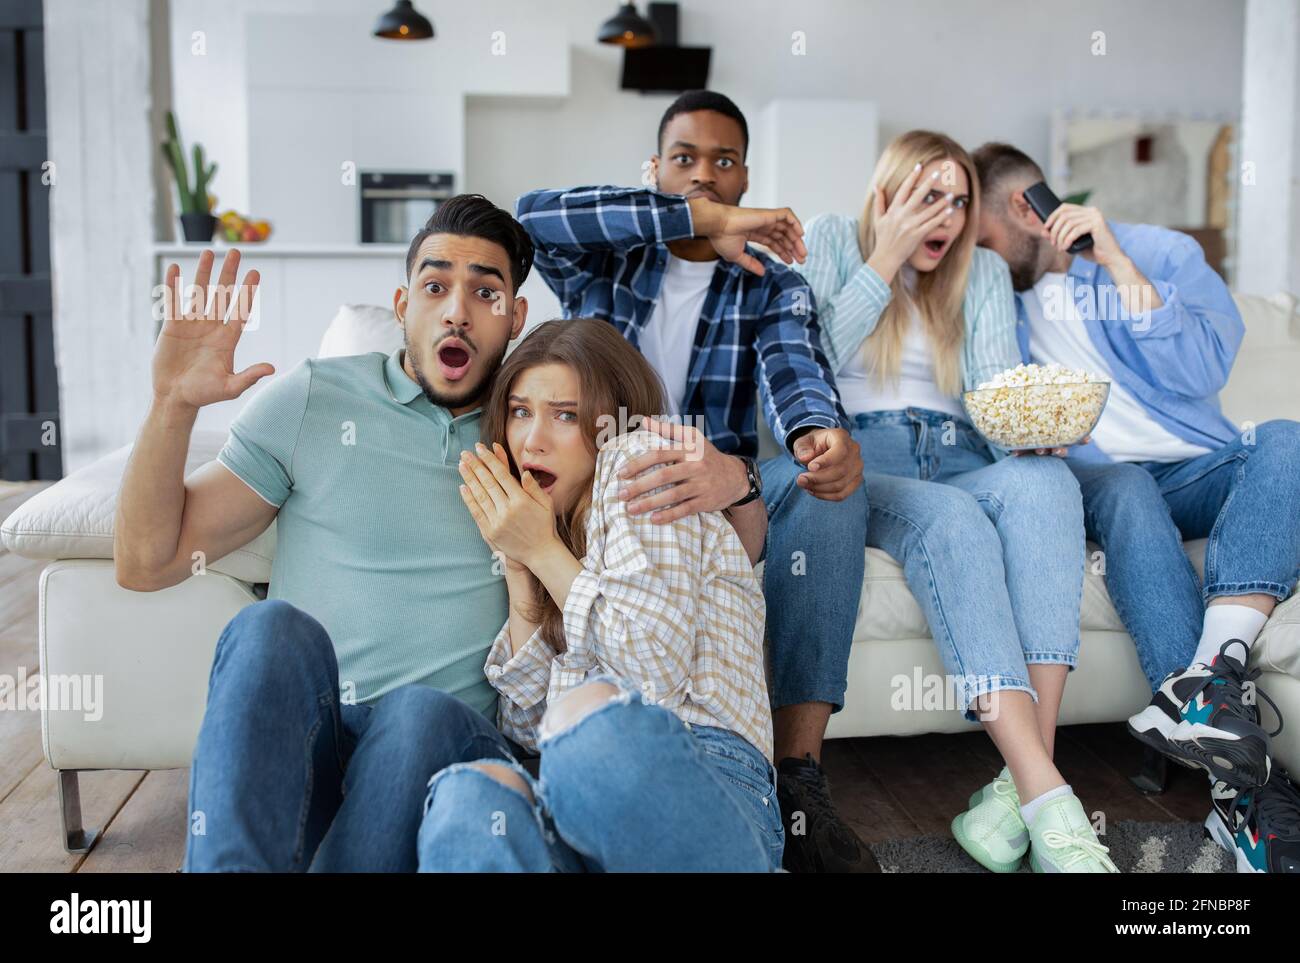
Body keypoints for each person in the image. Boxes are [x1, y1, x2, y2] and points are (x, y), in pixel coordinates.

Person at [115, 194, 540, 871]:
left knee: (417, 713)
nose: (457, 309)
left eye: (485, 291)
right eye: (436, 286)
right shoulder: (318, 397)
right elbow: (145, 561)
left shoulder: (536, 430)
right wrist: (173, 404)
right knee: (266, 630)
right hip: (309, 748)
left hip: (440, 752)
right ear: (402, 305)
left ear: (515, 317)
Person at [516, 90, 877, 872]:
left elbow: (798, 377)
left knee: (830, 495)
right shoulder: (608, 261)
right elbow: (533, 215)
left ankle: (800, 776)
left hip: (718, 487)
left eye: (723, 162)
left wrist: (816, 440)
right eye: (685, 158)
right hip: (615, 484)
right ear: (654, 169)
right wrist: (693, 219)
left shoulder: (771, 282)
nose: (705, 174)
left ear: (748, 175)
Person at [974, 141, 1300, 873]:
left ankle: (1210, 680)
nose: (982, 258)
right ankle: (1237, 792)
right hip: (1102, 481)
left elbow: (1204, 368)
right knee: (1124, 486)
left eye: (987, 240)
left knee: (1287, 437)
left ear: (1028, 210)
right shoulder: (995, 303)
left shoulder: (1162, 253)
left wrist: (1117, 264)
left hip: (1194, 467)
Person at [795, 130, 1115, 873]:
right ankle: (1055, 804)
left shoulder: (984, 273)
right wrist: (885, 258)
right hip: (866, 456)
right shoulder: (837, 239)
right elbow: (807, 359)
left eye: (959, 201)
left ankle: (1023, 784)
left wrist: (1029, 434)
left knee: (1044, 483)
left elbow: (996, 393)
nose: (946, 216)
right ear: (887, 196)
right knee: (955, 518)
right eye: (927, 197)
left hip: (965, 450)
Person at [416, 317, 781, 871]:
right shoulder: (553, 526)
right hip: (583, 810)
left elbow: (653, 673)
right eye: (520, 411)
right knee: (468, 796)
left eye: (565, 415)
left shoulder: (637, 462)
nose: (532, 439)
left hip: (709, 776)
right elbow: (527, 727)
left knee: (589, 729)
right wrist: (520, 572)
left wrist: (542, 553)